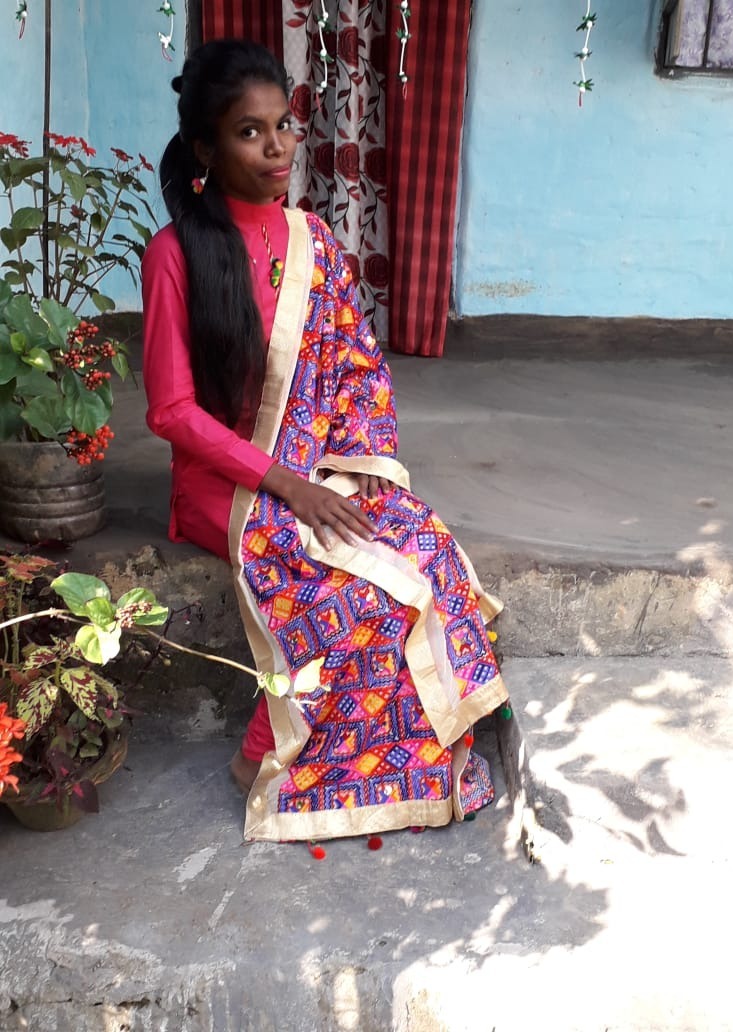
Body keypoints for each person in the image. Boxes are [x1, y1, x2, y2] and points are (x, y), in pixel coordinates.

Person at [142, 38, 513, 846]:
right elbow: (170, 412)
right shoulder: (175, 255)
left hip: (313, 464)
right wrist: (288, 484)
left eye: (284, 124)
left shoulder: (313, 239)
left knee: (422, 544)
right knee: (350, 588)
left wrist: (362, 459)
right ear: (205, 148)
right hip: (226, 485)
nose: (278, 146)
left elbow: (355, 365)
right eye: (250, 132)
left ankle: (424, 738)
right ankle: (262, 751)